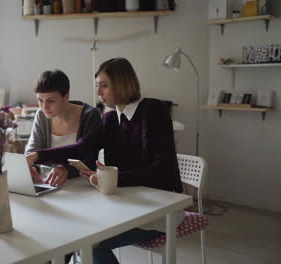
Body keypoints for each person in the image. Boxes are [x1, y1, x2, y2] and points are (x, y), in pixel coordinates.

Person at [26, 58, 183, 264]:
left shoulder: (154, 111)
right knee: (72, 233)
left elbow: (162, 170)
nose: (99, 92)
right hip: (124, 203)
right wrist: (38, 155)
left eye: (104, 85)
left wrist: (111, 180)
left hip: (158, 209)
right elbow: (81, 148)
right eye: (97, 86)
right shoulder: (109, 118)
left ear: (122, 83)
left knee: (89, 242)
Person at [25, 69, 101, 187]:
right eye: (40, 100)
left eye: (51, 101)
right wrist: (30, 167)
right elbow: (31, 152)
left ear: (66, 97)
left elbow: (90, 160)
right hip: (50, 184)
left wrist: (66, 169)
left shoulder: (91, 115)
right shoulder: (41, 115)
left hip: (82, 186)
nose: (44, 107)